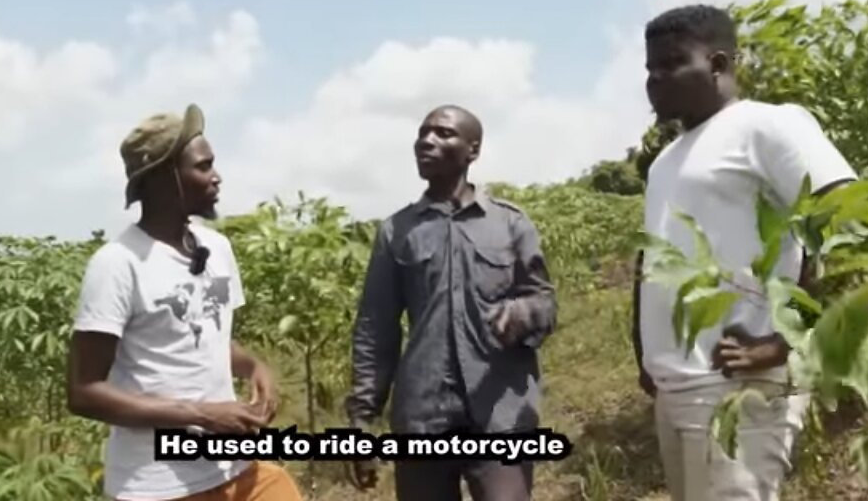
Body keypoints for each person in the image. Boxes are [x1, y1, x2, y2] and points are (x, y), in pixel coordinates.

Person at [633, 4, 857, 501]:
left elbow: (841, 228)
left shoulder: (768, 125)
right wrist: (644, 351)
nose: (655, 80)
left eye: (671, 64)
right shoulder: (667, 160)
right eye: (650, 68)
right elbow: (652, 259)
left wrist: (786, 340)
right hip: (676, 389)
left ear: (717, 64)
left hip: (741, 384)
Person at [66, 104, 303, 501]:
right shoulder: (118, 265)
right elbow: (84, 392)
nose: (216, 177)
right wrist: (205, 415)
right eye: (203, 166)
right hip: (159, 485)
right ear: (164, 178)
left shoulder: (216, 247)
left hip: (237, 469)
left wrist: (255, 366)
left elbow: (207, 337)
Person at [345, 104, 559, 501]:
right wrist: (362, 417)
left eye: (443, 133)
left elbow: (544, 301)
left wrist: (523, 313)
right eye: (423, 133)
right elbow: (376, 330)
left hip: (500, 412)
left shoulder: (510, 224)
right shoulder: (398, 231)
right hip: (423, 416)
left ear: (472, 150)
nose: (426, 141)